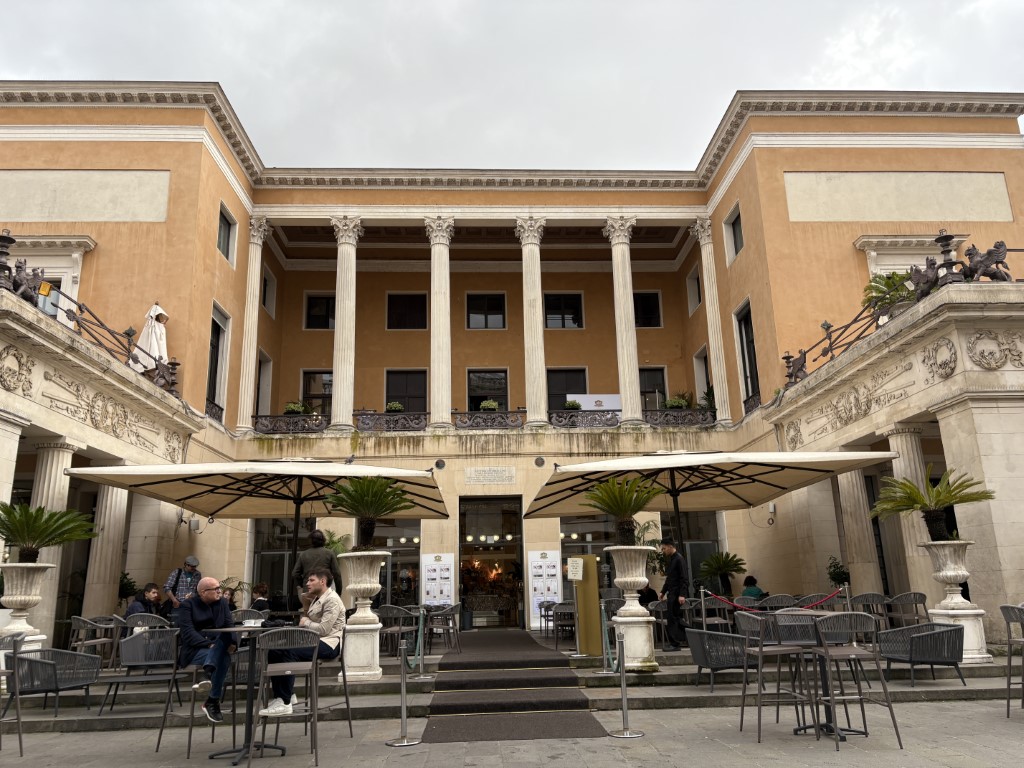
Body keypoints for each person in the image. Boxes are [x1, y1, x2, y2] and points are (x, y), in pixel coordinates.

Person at [258, 567, 346, 717]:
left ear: (323, 581)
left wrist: (306, 622)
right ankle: (286, 696)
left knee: (288, 652)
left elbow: (324, 629)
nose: (307, 584)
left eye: (312, 580)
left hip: (329, 643)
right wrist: (306, 605)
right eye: (307, 580)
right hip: (315, 641)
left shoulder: (332, 600)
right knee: (274, 650)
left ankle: (285, 702)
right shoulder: (317, 598)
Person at [177, 576, 236, 724]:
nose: (219, 591)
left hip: (218, 646)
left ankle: (208, 672)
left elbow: (230, 625)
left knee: (222, 648)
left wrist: (233, 642)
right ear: (203, 592)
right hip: (195, 650)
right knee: (223, 657)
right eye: (215, 589)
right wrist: (208, 644)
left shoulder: (222, 603)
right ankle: (212, 701)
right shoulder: (188, 605)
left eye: (219, 588)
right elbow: (187, 633)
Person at [659, 537, 689, 651]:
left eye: (664, 548)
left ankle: (675, 643)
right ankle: (691, 636)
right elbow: (669, 578)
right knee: (675, 618)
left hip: (676, 594)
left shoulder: (679, 559)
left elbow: (684, 578)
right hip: (672, 593)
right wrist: (663, 591)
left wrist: (682, 594)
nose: (663, 551)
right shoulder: (672, 559)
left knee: (672, 618)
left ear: (671, 547)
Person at [292, 529, 343, 594]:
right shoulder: (329, 553)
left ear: (311, 541)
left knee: (308, 604)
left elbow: (295, 573)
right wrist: (338, 592)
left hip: (308, 591)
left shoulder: (303, 554)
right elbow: (337, 574)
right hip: (323, 591)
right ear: (323, 540)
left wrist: (303, 584)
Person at [163, 555, 202, 622]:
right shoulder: (177, 572)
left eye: (195, 566)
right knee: (176, 624)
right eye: (192, 566)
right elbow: (167, 587)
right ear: (186, 565)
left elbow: (198, 589)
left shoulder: (197, 574)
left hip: (192, 605)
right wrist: (174, 600)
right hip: (178, 604)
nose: (193, 568)